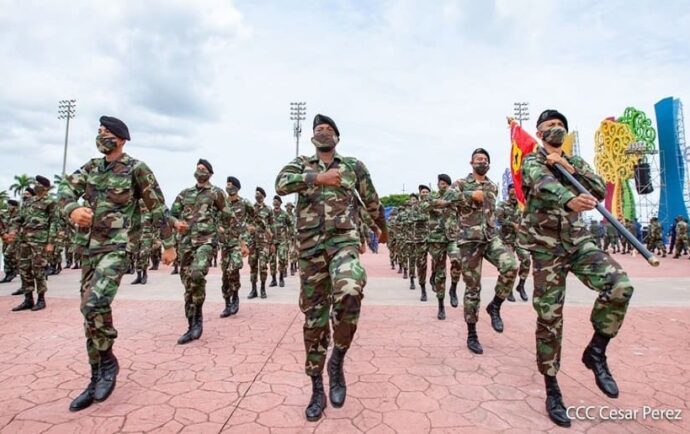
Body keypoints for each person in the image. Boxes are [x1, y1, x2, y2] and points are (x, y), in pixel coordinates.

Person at [520, 109, 634, 427]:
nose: (555, 129)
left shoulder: (575, 162)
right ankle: (552, 388)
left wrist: (569, 167)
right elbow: (542, 185)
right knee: (549, 318)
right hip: (546, 249)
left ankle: (596, 351)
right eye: (548, 126)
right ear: (539, 133)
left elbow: (598, 187)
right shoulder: (532, 160)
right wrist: (569, 198)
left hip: (578, 244)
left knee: (620, 285)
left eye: (560, 125)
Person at [59, 115, 176, 411]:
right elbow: (64, 190)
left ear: (121, 139)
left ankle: (108, 362)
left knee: (94, 304)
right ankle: (95, 375)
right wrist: (72, 208)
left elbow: (157, 205)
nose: (101, 136)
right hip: (88, 249)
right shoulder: (90, 167)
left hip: (117, 248)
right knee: (89, 312)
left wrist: (169, 243)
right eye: (99, 131)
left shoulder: (137, 169)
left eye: (107, 132)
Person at [275, 114, 387, 422]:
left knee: (351, 290)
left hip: (343, 243)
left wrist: (382, 228)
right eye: (317, 129)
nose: (322, 131)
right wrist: (318, 178)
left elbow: (372, 200)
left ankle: (337, 358)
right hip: (310, 252)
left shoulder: (353, 166)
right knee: (314, 321)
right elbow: (280, 184)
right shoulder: (300, 165)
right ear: (312, 138)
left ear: (337, 138)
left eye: (328, 129)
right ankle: (316, 387)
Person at [449, 149, 518, 354]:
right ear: (471, 162)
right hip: (469, 242)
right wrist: (470, 195)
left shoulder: (493, 186)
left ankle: (495, 305)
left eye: (486, 160)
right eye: (479, 159)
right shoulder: (461, 184)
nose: (482, 162)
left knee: (511, 266)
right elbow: (446, 199)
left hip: (490, 238)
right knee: (473, 289)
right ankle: (472, 334)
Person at [170, 159, 235, 344]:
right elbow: (171, 213)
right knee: (188, 285)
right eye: (198, 169)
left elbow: (228, 215)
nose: (200, 172)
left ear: (210, 174)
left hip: (206, 242)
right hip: (185, 244)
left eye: (203, 169)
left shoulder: (216, 193)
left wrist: (219, 228)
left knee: (197, 274)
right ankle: (192, 323)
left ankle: (197, 320)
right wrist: (176, 223)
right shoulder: (185, 194)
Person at [10, 175, 58, 312]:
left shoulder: (50, 202)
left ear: (46, 187)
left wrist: (51, 242)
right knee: (24, 269)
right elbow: (19, 219)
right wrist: (13, 231)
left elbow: (54, 222)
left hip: (40, 241)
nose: (36, 185)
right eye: (35, 183)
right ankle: (28, 299)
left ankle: (41, 299)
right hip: (24, 240)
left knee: (38, 269)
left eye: (39, 184)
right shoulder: (28, 202)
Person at [419, 174, 460, 320]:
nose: (442, 185)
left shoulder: (454, 196)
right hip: (436, 239)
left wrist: (448, 202)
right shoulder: (431, 197)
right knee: (440, 273)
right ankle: (441, 305)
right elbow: (423, 207)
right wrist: (438, 203)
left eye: (445, 183)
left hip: (452, 237)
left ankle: (453, 289)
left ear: (448, 185)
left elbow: (464, 203)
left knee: (457, 260)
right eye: (440, 183)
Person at [219, 176, 252, 317]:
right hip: (225, 243)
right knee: (225, 274)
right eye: (227, 184)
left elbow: (254, 218)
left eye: (231, 185)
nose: (228, 187)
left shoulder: (245, 203)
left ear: (237, 188)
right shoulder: (221, 203)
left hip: (238, 243)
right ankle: (227, 303)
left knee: (234, 268)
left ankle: (235, 297)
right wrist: (218, 227)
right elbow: (214, 218)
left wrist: (247, 233)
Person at [496, 184, 530, 302]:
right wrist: (512, 224)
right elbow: (499, 219)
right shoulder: (502, 205)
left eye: (516, 190)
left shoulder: (522, 205)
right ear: (508, 192)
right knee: (511, 265)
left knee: (526, 259)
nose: (514, 192)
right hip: (506, 240)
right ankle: (509, 289)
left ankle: (521, 285)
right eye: (512, 190)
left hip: (520, 239)